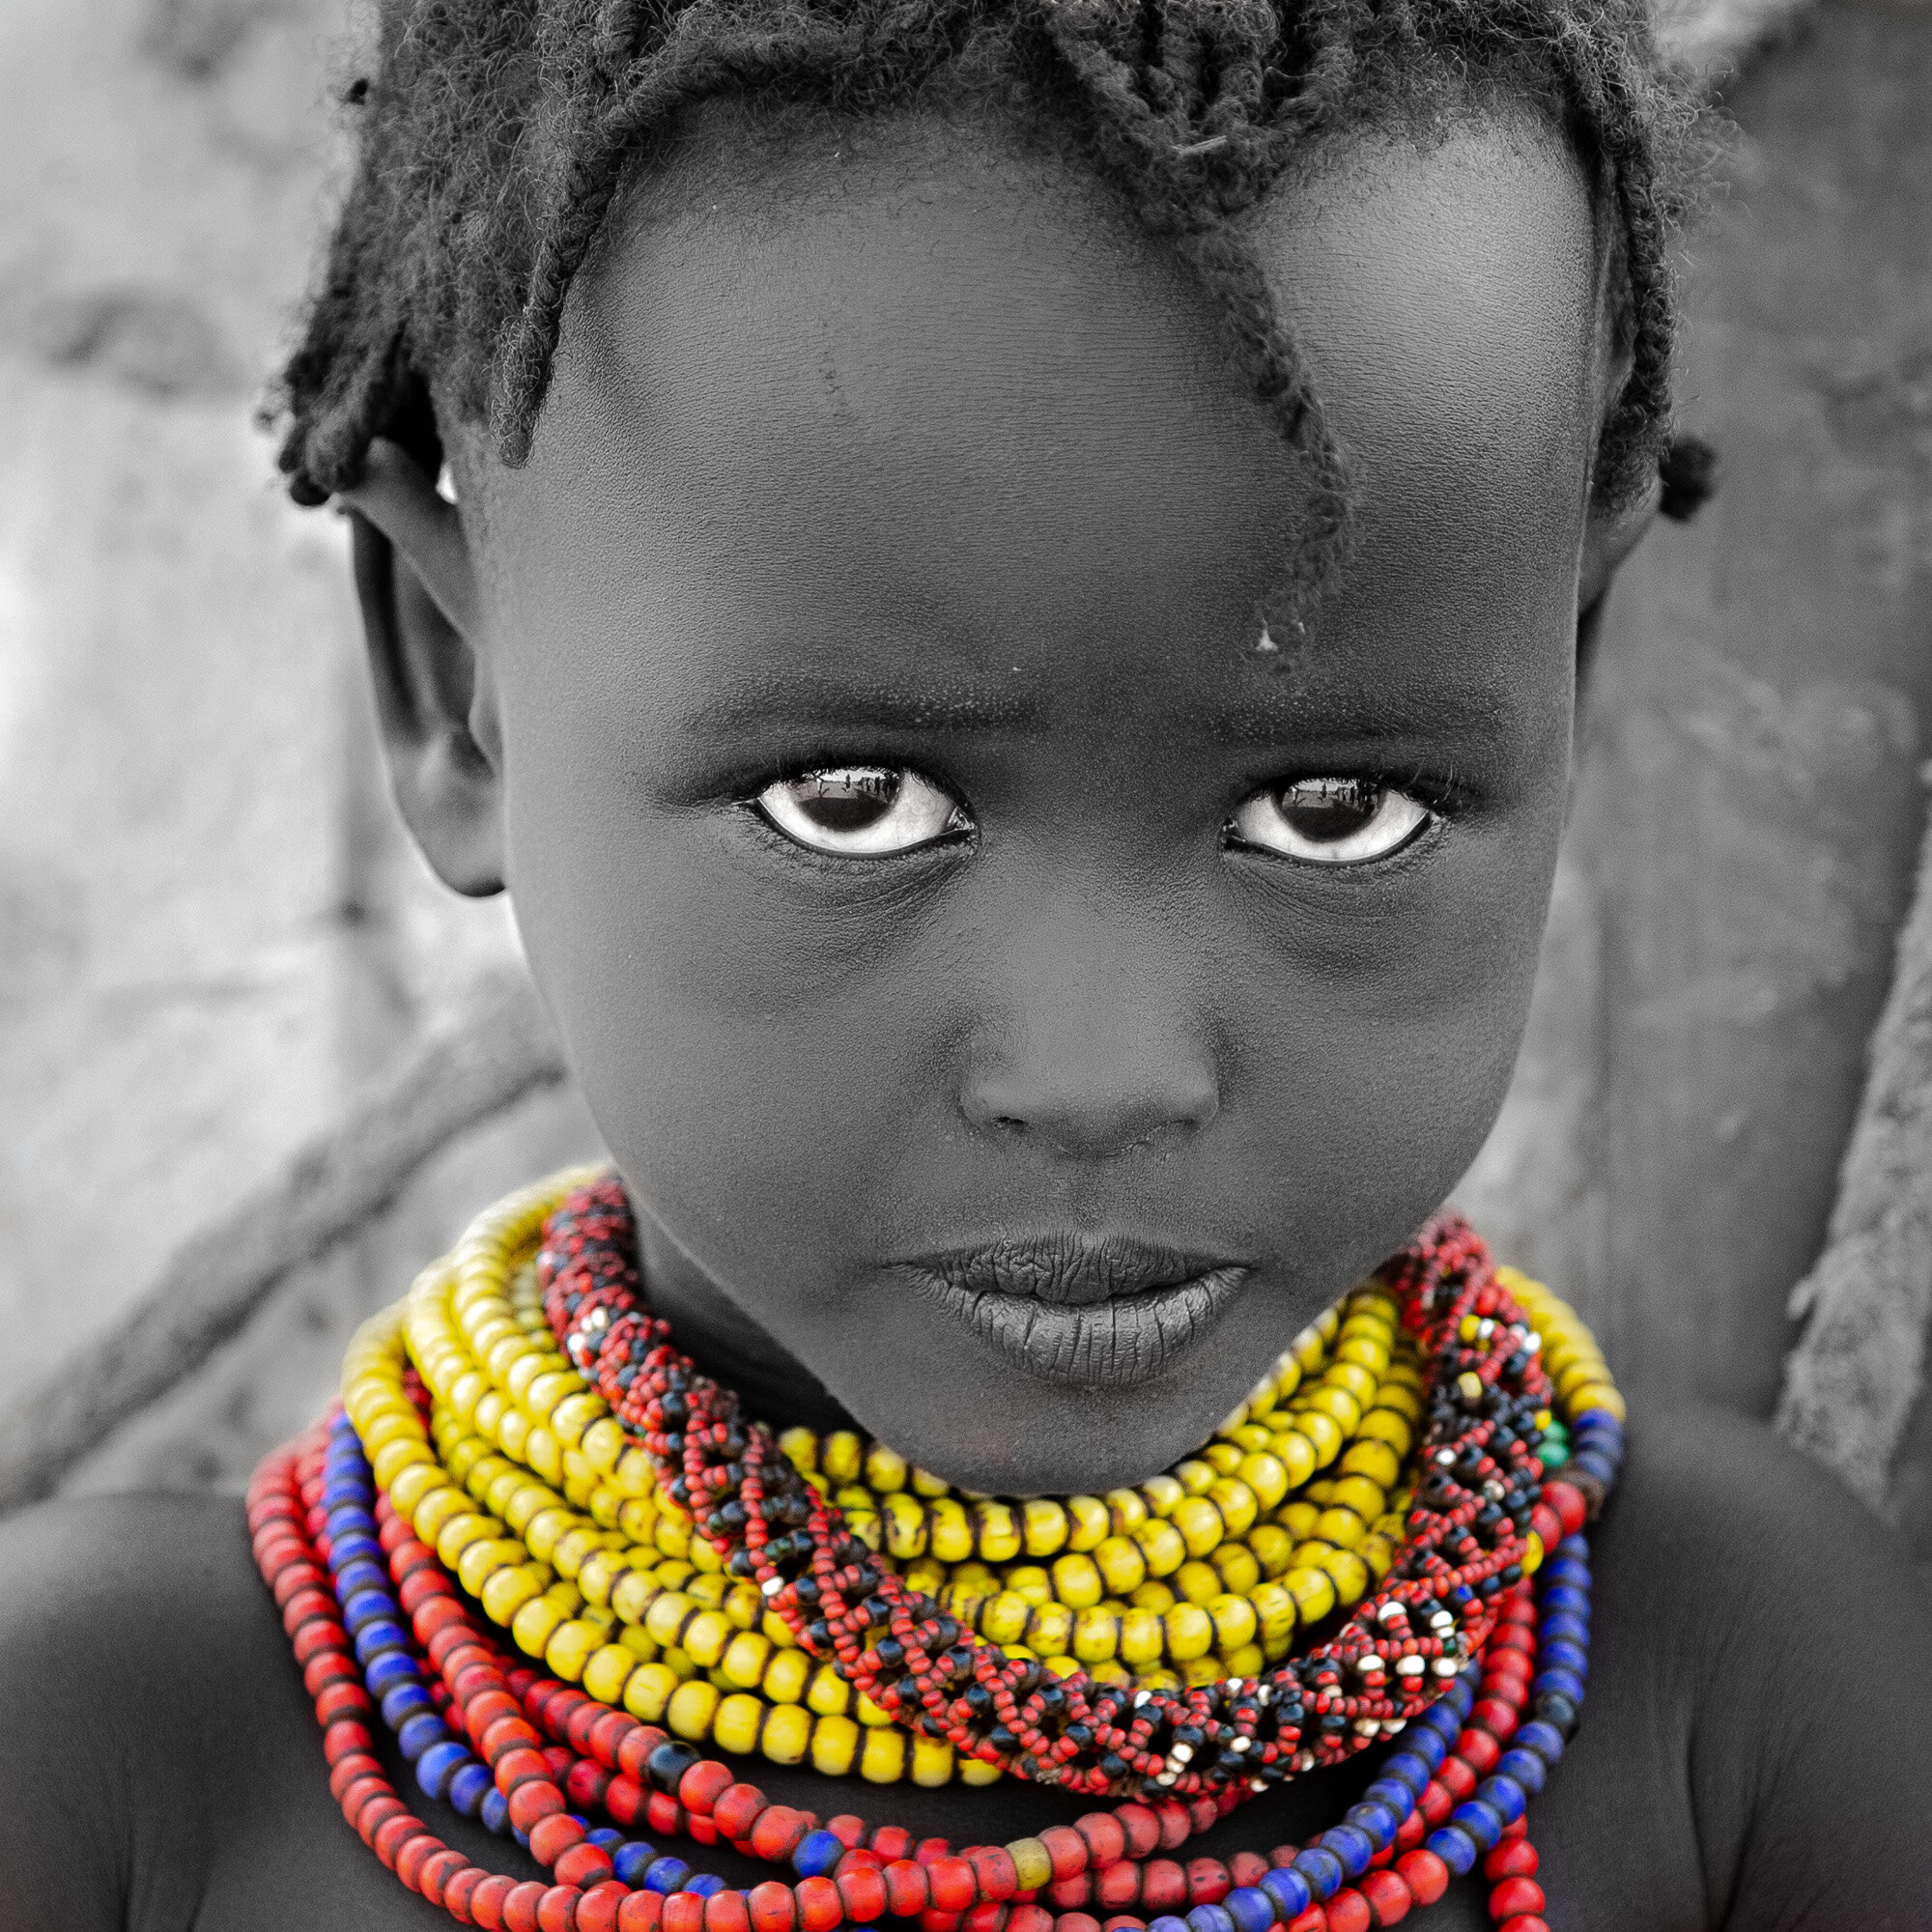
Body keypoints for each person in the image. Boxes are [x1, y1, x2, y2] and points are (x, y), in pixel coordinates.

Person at [2, 1, 1926, 1927]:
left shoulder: (1725, 1693)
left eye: (1335, 810)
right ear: (451, 690)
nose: (1102, 1070)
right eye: (852, 800)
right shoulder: (120, 1762)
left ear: (1570, 678)